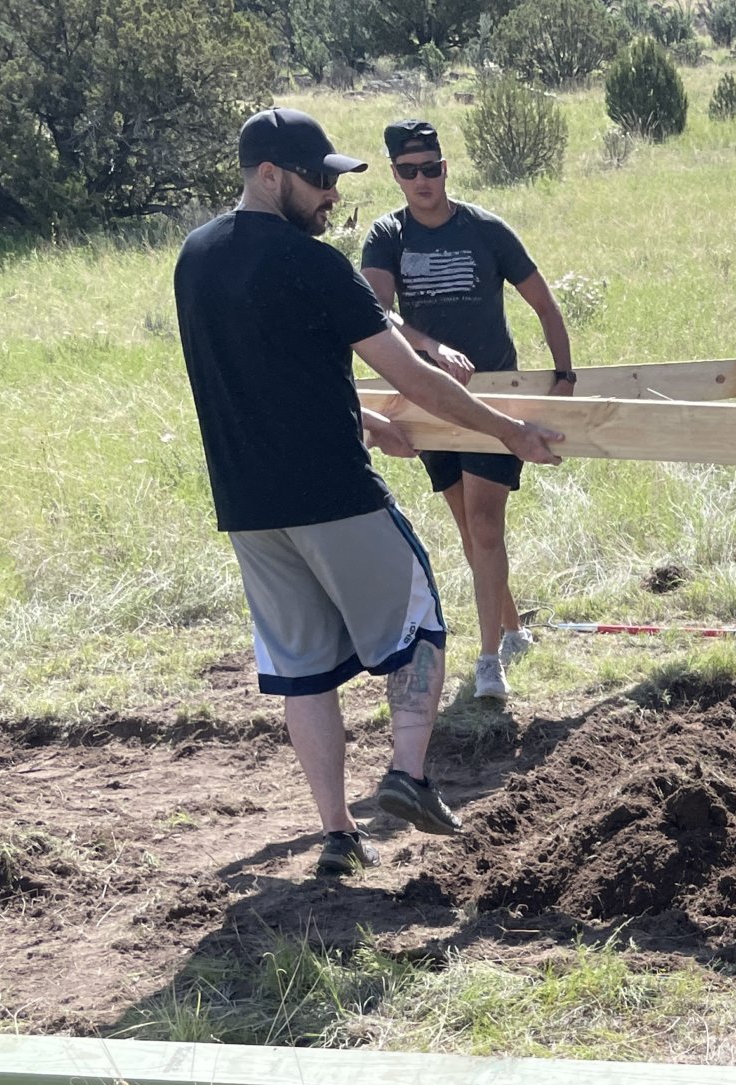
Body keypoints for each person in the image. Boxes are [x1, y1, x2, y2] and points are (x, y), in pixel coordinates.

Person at [174, 109, 562, 879]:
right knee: (420, 626)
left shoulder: (195, 257)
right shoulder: (313, 265)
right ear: (270, 175)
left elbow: (266, 372)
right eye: (319, 180)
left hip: (249, 506)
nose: (329, 196)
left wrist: (362, 422)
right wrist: (510, 432)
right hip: (332, 495)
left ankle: (337, 836)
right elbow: (416, 378)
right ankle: (410, 777)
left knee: (305, 667)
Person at [360, 118, 577, 709]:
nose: (422, 180)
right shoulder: (387, 236)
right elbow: (373, 313)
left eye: (431, 167)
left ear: (445, 167)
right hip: (430, 397)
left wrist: (563, 374)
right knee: (467, 527)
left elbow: (543, 302)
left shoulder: (485, 228)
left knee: (485, 524)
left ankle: (488, 663)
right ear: (396, 175)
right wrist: (429, 347)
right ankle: (513, 629)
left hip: (497, 397)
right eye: (409, 171)